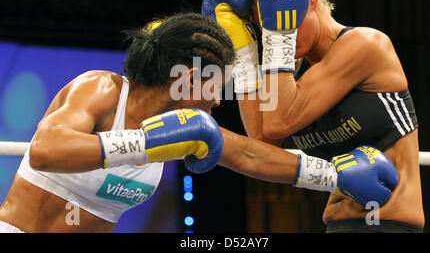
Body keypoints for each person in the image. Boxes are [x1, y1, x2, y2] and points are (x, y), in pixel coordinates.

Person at [0, 12, 397, 233]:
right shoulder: (101, 89)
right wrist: (145, 142)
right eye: (216, 86)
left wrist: (334, 176)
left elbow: (251, 157)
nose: (217, 100)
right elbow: (45, 151)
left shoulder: (185, 126)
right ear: (189, 78)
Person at [201, 0, 424, 233]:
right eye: (265, 27)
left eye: (282, 19)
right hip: (335, 225)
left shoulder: (366, 44)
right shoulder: (294, 75)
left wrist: (279, 41)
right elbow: (263, 139)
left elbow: (279, 120)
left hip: (391, 224)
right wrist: (244, 55)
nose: (275, 35)